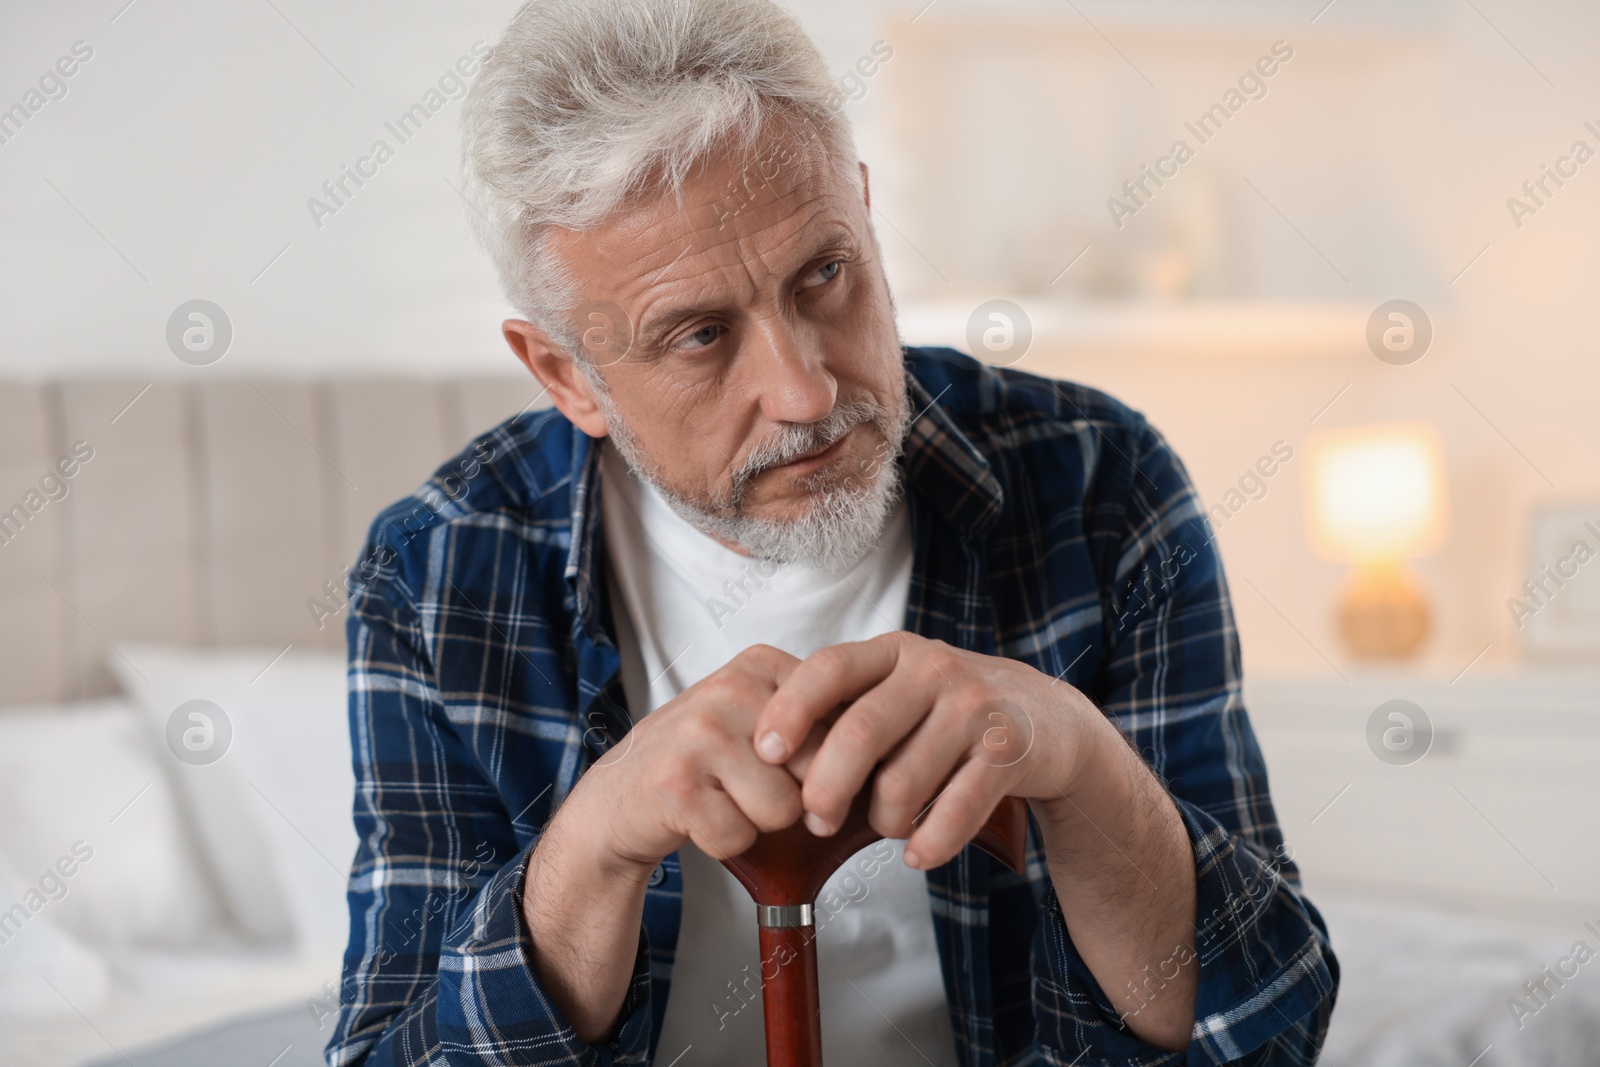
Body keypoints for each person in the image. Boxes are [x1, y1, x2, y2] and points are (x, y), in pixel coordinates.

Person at [326, 1, 1338, 1063]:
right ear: (566, 374)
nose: (805, 392)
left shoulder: (1098, 482)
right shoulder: (436, 572)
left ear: (861, 207)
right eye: (702, 335)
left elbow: (1261, 1033)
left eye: (825, 274)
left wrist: (1081, 765)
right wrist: (587, 848)